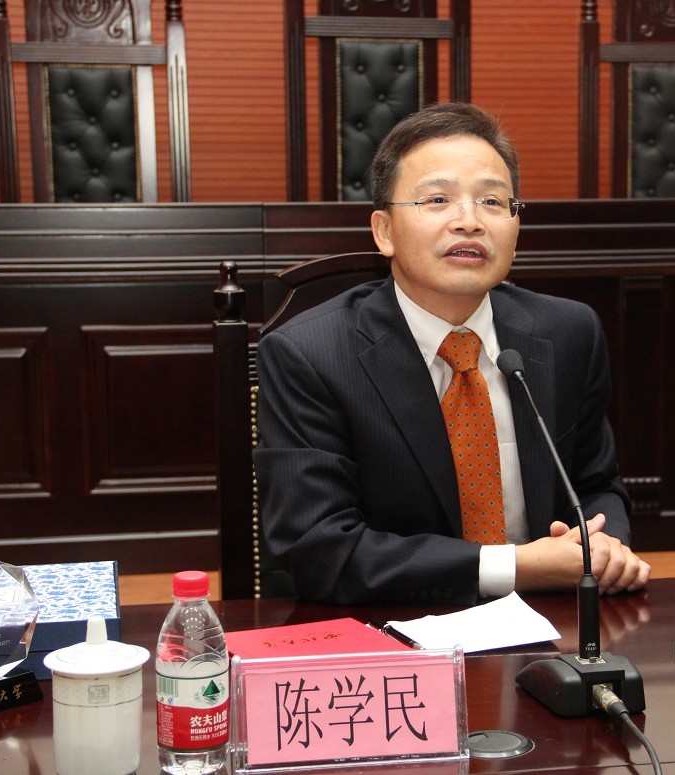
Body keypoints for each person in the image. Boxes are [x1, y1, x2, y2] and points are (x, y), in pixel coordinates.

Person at [254, 102, 650, 605]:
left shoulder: (569, 332)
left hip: (553, 618)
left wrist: (604, 546)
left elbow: (597, 484)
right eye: (438, 199)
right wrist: (516, 567)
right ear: (384, 231)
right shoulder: (309, 354)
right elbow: (319, 549)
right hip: (396, 624)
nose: (469, 221)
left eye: (492, 201)